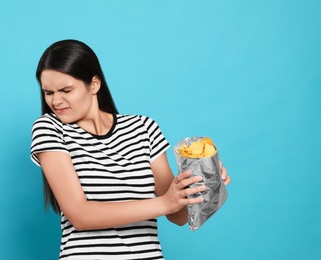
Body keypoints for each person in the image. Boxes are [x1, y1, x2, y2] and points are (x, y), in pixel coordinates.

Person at [30, 39, 231, 259]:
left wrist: (206, 183)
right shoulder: (50, 129)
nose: (56, 101)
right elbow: (80, 215)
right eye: (48, 92)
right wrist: (164, 203)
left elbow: (179, 216)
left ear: (94, 84)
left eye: (66, 90)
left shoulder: (143, 128)